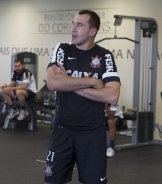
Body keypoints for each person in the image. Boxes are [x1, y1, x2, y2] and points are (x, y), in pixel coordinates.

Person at [44, 10, 121, 184]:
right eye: (73, 23)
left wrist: (69, 84)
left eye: (79, 25)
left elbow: (112, 95)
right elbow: (53, 83)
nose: (73, 29)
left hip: (93, 133)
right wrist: (92, 81)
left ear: (92, 31)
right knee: (53, 181)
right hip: (62, 130)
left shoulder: (105, 56)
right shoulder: (62, 49)